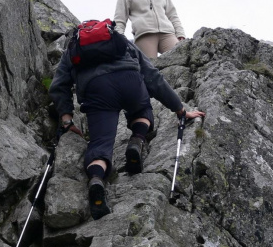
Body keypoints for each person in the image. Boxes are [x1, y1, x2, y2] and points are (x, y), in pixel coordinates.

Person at [48, 30, 205, 221]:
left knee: (100, 145)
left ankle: (97, 180)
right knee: (142, 110)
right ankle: (137, 140)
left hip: (96, 90)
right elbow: (152, 76)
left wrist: (67, 120)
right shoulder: (118, 39)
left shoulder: (72, 49)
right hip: (129, 81)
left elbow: (59, 86)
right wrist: (180, 109)